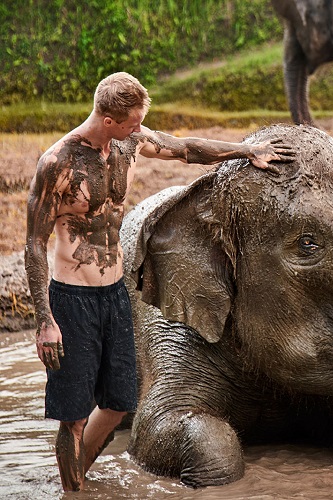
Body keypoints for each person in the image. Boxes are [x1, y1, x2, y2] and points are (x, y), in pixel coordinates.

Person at [24, 71, 295, 491]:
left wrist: (247, 150)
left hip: (116, 293)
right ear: (107, 118)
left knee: (117, 407)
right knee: (74, 417)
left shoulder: (129, 142)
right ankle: (73, 488)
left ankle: (78, 483)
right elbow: (33, 244)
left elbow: (186, 149)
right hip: (72, 298)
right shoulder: (57, 164)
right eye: (132, 122)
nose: (139, 130)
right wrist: (45, 320)